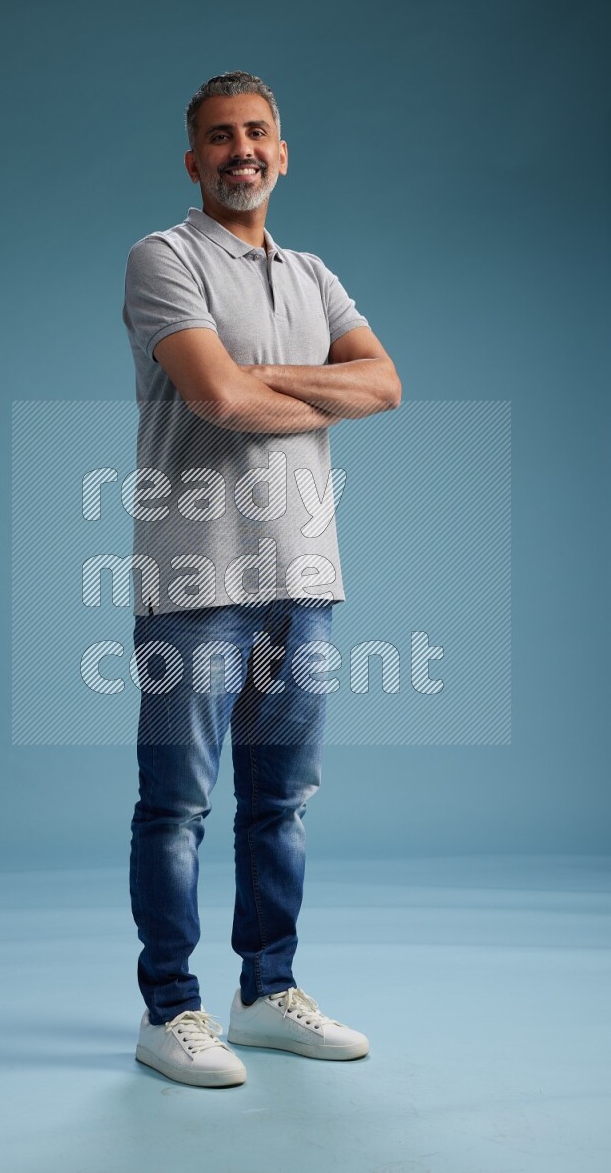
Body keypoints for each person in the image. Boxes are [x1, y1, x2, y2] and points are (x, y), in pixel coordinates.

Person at [121, 71, 401, 1088]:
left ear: (280, 151)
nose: (239, 149)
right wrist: (313, 389)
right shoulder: (164, 257)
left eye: (255, 133)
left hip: (304, 577)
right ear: (192, 159)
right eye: (218, 136)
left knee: (279, 805)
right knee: (177, 809)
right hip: (196, 578)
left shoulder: (314, 275)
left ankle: (263, 993)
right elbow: (216, 400)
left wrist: (262, 379)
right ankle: (170, 1009)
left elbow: (386, 384)